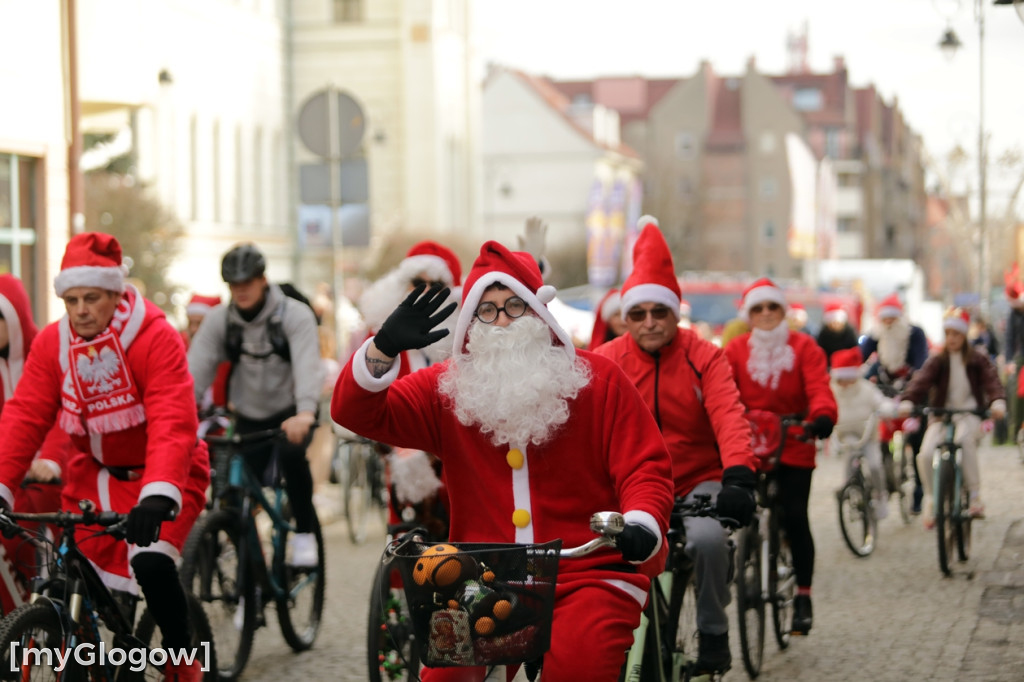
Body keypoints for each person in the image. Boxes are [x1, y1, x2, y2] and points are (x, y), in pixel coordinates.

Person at [332, 240, 674, 681]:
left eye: (515, 306)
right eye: (487, 311)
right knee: (444, 678)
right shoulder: (448, 388)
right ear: (471, 323)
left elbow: (643, 467)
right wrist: (383, 348)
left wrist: (641, 522)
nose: (503, 321)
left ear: (539, 311)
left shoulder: (598, 380)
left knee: (578, 666)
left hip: (585, 572)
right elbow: (354, 412)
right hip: (480, 576)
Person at [0, 233, 210, 681]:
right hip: (93, 476)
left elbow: (174, 420)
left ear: (116, 293)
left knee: (152, 563)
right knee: (64, 578)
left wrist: (158, 496)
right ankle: (85, 662)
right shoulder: (53, 344)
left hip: (165, 473)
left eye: (91, 298)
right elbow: (25, 415)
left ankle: (183, 663)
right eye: (71, 299)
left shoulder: (154, 336)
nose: (80, 310)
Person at [592, 222, 756, 674]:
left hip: (695, 480)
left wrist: (738, 475)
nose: (649, 322)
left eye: (658, 313)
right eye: (638, 313)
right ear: (626, 317)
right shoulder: (607, 361)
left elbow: (728, 415)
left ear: (674, 313)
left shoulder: (705, 357)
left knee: (707, 542)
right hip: (631, 487)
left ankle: (714, 630)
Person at [188, 242, 322, 567]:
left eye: (247, 282)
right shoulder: (222, 320)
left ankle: (304, 533)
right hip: (247, 413)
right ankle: (251, 582)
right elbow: (194, 372)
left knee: (293, 457)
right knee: (234, 496)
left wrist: (305, 412)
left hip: (291, 413)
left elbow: (307, 366)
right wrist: (180, 415)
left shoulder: (294, 314)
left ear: (263, 279)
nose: (241, 290)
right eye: (234, 285)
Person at [724, 277, 837, 636]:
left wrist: (821, 416)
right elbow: (723, 393)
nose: (767, 314)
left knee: (795, 515)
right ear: (749, 314)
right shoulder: (735, 350)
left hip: (793, 439)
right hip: (748, 442)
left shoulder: (805, 347)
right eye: (759, 308)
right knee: (734, 510)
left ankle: (803, 594)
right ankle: (741, 561)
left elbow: (819, 388)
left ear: (783, 311)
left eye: (773, 307)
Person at [356, 240, 464, 530]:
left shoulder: (464, 337)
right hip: (401, 447)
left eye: (437, 286)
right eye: (418, 282)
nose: (426, 292)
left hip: (456, 451)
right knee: (404, 541)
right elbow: (360, 392)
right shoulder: (380, 334)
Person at [897, 307, 1005, 526]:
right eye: (947, 334)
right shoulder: (938, 359)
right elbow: (921, 381)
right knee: (926, 453)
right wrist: (909, 400)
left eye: (956, 334)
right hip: (941, 415)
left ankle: (974, 496)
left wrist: (997, 401)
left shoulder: (977, 358)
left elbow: (991, 380)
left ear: (964, 335)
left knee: (965, 441)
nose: (951, 339)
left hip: (969, 414)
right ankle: (930, 497)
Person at [0, 275, 70, 613]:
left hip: (48, 477)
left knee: (38, 539)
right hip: (8, 475)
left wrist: (52, 460)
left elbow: (65, 412)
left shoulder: (44, 349)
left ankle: (47, 608)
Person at [859, 292, 930, 512]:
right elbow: (858, 356)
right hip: (885, 390)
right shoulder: (876, 336)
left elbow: (921, 362)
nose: (888, 323)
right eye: (885, 319)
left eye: (892, 319)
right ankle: (886, 478)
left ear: (899, 318)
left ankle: (919, 491)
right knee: (879, 434)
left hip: (912, 391)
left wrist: (915, 383)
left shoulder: (914, 334)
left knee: (917, 443)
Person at [829, 346, 895, 519]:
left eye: (847, 378)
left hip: (867, 435)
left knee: (874, 464)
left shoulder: (866, 389)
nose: (844, 383)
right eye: (841, 379)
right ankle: (849, 491)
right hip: (846, 434)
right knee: (849, 462)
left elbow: (880, 401)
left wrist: (887, 408)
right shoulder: (832, 391)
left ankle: (880, 495)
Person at [816, 302, 859, 367]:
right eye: (832, 323)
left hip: (847, 366)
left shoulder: (850, 332)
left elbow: (855, 351)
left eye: (837, 323)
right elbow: (820, 353)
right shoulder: (823, 334)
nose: (835, 325)